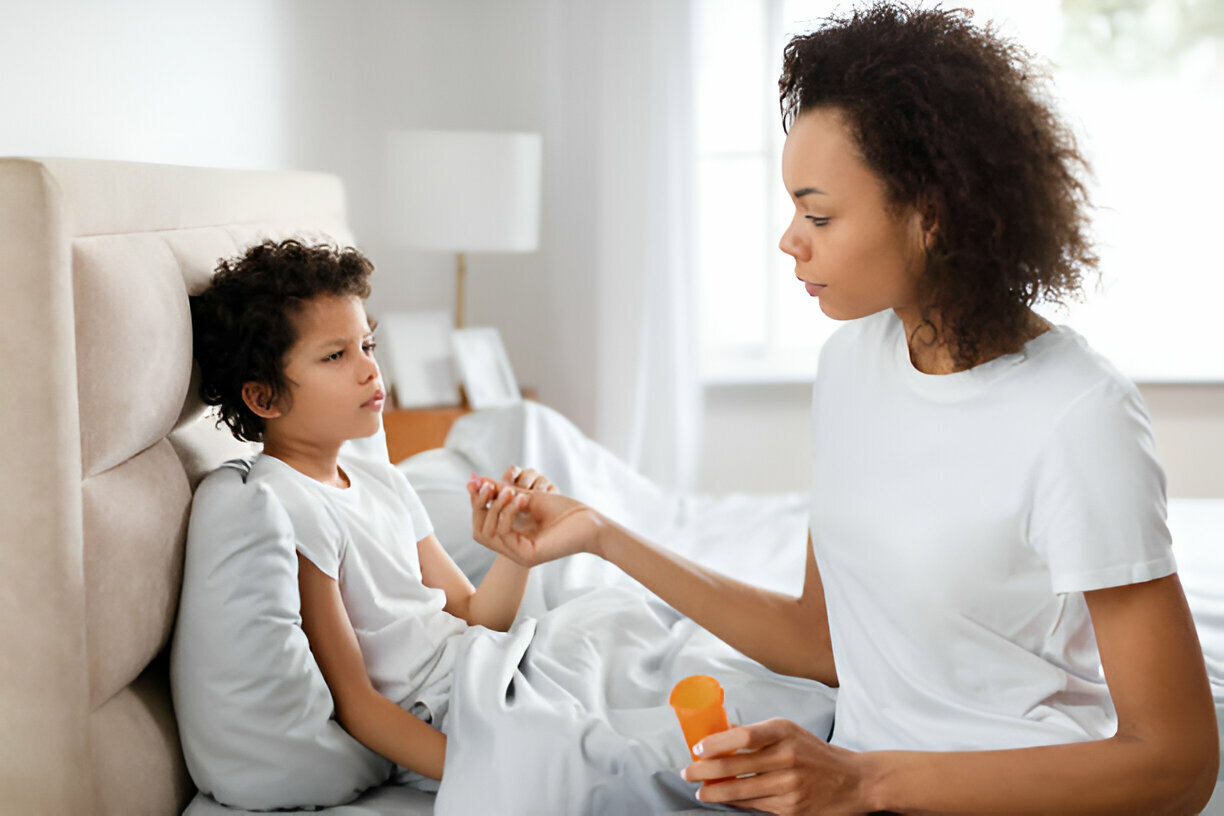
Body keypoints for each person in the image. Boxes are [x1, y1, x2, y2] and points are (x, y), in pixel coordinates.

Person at [468, 3, 1219, 813]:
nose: (790, 239)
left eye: (819, 214)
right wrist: (603, 534)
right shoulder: (851, 364)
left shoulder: (1078, 414)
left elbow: (1177, 764)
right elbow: (820, 642)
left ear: (932, 213)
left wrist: (865, 779)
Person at [188, 238, 833, 813]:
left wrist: (517, 552)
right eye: (335, 355)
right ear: (264, 397)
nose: (369, 369)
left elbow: (474, 616)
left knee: (661, 646)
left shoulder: (379, 480)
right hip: (461, 713)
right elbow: (359, 706)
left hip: (492, 662)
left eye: (368, 345)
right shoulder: (286, 506)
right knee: (639, 754)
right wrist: (483, 769)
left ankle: (830, 726)